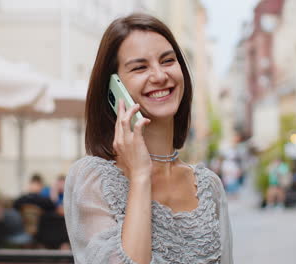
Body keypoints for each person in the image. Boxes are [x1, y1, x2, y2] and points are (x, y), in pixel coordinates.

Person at [64, 13, 233, 264]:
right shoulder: (92, 179)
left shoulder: (210, 187)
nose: (160, 75)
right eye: (140, 67)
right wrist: (141, 175)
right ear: (114, 86)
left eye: (168, 61)